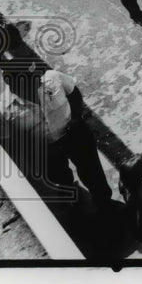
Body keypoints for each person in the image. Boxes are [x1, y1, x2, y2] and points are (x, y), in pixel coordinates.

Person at [36, 67, 115, 210]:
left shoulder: (52, 78)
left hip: (73, 133)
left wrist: (76, 118)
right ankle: (75, 203)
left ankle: (105, 203)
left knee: (92, 172)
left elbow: (74, 94)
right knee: (60, 179)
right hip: (48, 147)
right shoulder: (8, 108)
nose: (35, 80)